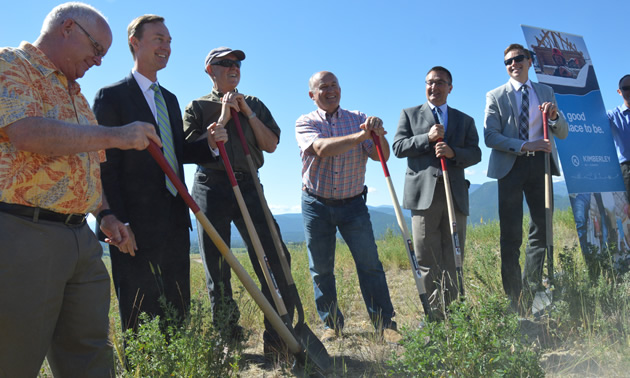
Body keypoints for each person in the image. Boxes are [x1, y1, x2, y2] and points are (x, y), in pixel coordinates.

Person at [0, 3, 161, 376]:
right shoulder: (11, 65)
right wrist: (117, 135)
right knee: (14, 354)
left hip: (81, 240)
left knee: (89, 353)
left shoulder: (75, 93)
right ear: (68, 28)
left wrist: (103, 214)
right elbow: (26, 132)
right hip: (24, 233)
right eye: (97, 49)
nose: (99, 61)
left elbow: (87, 165)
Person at [93, 15, 226, 334]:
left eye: (169, 41)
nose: (166, 46)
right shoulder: (110, 98)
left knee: (177, 308)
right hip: (133, 226)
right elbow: (102, 166)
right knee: (140, 314)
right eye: (158, 39)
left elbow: (175, 152)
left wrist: (206, 143)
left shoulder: (169, 99)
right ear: (134, 43)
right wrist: (114, 220)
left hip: (175, 221)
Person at [182, 47, 294, 361]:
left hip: (248, 184)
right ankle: (229, 339)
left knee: (273, 256)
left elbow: (270, 144)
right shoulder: (196, 106)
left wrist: (248, 114)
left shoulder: (254, 103)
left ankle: (279, 338)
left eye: (238, 64)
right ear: (210, 70)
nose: (234, 68)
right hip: (210, 185)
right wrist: (223, 115)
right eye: (226, 64)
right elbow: (190, 150)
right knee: (217, 266)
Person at [295, 71, 401, 343]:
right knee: (321, 268)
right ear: (312, 95)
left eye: (334, 85)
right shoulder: (305, 122)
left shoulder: (358, 119)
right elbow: (321, 148)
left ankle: (385, 324)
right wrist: (361, 135)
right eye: (323, 87)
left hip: (353, 203)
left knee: (369, 264)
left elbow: (381, 156)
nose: (330, 90)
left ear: (340, 89)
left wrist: (377, 134)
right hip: (316, 204)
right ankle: (331, 324)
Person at [484, 43, 568, 314]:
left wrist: (554, 118)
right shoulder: (495, 95)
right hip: (510, 168)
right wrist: (525, 145)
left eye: (518, 59)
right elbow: (490, 136)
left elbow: (563, 132)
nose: (513, 64)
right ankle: (514, 299)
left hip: (540, 167)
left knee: (541, 230)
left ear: (529, 61)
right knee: (510, 236)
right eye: (508, 61)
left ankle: (531, 290)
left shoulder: (546, 92)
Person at [393, 66, 481, 319]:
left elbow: (475, 153)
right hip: (423, 198)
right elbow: (398, 147)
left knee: (454, 256)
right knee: (426, 258)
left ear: (450, 88)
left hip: (454, 196)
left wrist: (454, 153)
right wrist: (426, 138)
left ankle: (455, 312)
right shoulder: (409, 115)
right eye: (430, 82)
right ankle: (433, 315)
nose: (434, 87)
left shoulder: (464, 120)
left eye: (440, 82)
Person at [607, 74, 630, 202]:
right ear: (619, 92)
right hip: (627, 169)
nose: (629, 91)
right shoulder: (612, 115)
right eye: (626, 88)